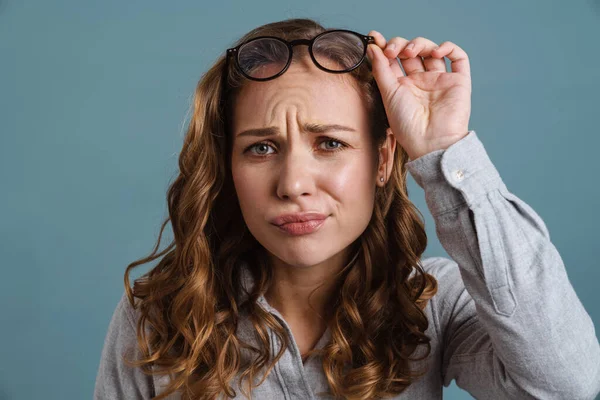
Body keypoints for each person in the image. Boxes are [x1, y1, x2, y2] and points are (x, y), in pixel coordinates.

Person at [93, 18, 600, 400]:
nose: (293, 184)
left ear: (382, 161)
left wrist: (443, 149)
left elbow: (564, 384)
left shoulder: (435, 302)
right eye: (261, 148)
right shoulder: (160, 313)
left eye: (330, 144)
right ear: (228, 169)